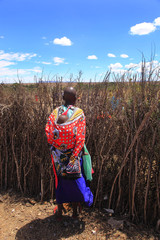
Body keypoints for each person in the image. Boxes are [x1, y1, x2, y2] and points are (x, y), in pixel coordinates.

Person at [45, 86, 93, 219]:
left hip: (58, 157)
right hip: (74, 155)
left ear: (62, 97)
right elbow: (81, 137)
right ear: (76, 99)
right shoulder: (79, 113)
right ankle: (75, 212)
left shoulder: (55, 113)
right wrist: (74, 155)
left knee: (60, 182)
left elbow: (49, 134)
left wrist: (57, 149)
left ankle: (59, 212)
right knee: (75, 181)